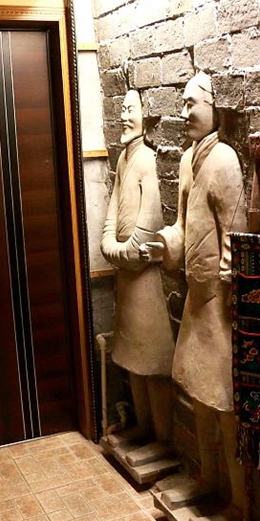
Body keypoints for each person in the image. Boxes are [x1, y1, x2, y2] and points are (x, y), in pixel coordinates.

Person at [142, 71, 248, 514]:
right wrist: (165, 245)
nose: (185, 112)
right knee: (201, 400)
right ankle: (209, 478)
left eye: (192, 103)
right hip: (196, 299)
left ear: (213, 107)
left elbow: (235, 233)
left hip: (218, 304)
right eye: (183, 104)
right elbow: (184, 225)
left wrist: (228, 289)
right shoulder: (188, 160)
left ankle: (241, 501)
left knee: (225, 406)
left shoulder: (224, 159)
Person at [101, 90, 175, 444]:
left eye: (130, 109)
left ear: (146, 116)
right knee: (132, 359)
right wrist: (109, 244)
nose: (124, 116)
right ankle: (145, 429)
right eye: (122, 108)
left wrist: (120, 251)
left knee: (152, 363)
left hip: (145, 282)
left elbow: (146, 231)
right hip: (126, 280)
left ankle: (163, 438)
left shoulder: (146, 160)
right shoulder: (123, 160)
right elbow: (112, 212)